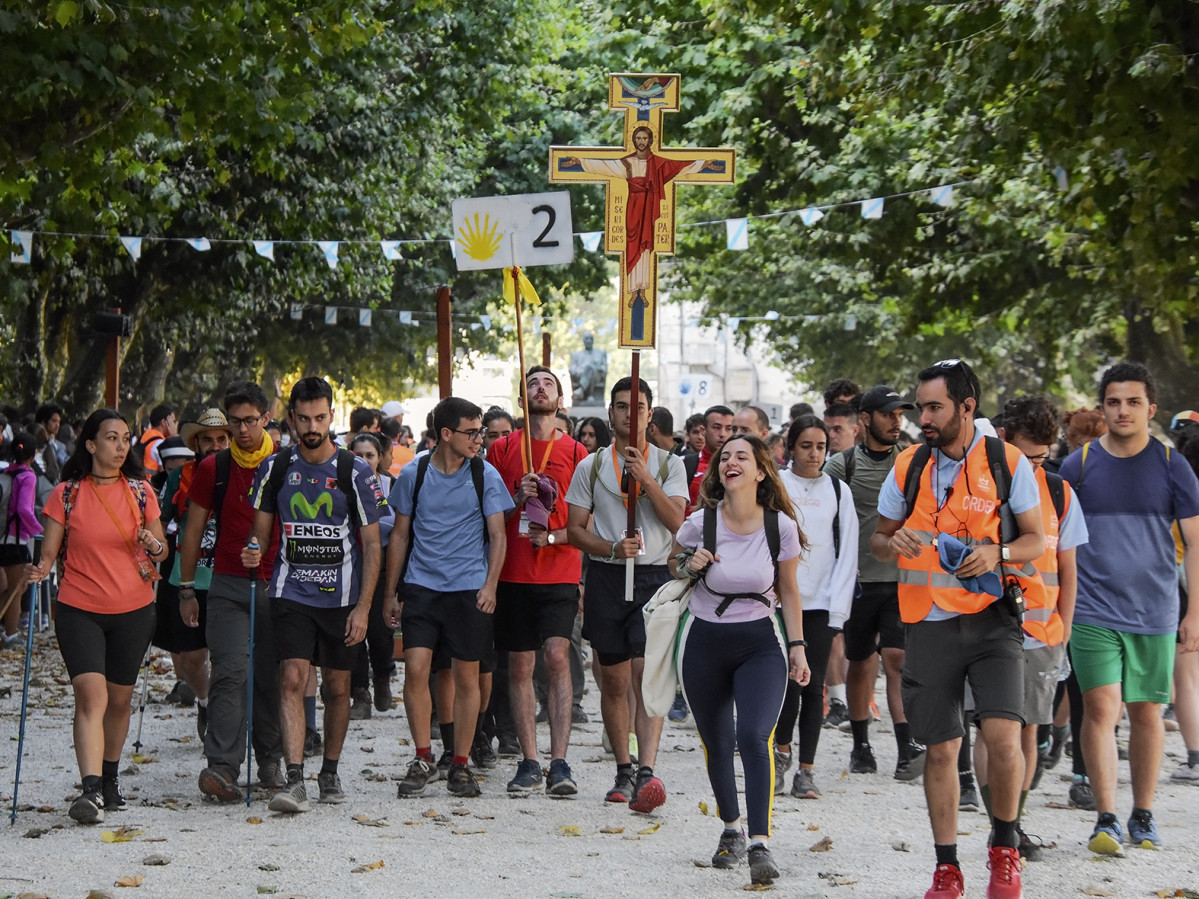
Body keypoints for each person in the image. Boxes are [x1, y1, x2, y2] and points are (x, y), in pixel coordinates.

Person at [871, 359, 1046, 899]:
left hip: (993, 621)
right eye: (919, 407)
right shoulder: (908, 465)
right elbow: (879, 539)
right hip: (926, 622)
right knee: (943, 749)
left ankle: (1004, 850)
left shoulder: (1006, 461)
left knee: (1001, 735)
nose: (921, 416)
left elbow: (1037, 540)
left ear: (966, 407)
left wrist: (998, 551)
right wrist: (891, 543)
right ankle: (946, 869)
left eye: (932, 407)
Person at [1059, 362, 1199, 855]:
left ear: (1151, 409)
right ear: (1103, 408)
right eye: (1114, 402)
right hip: (1092, 610)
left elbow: (1196, 543)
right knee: (1100, 707)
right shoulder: (1075, 467)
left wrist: (1195, 612)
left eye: (1133, 402)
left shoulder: (1171, 465)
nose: (1122, 410)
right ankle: (1106, 817)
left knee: (1147, 711)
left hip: (1155, 610)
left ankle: (1143, 813)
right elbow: (1060, 544)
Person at [670, 434, 810, 885]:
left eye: (741, 457)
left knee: (753, 735)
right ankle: (731, 829)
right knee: (716, 739)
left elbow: (789, 589)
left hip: (759, 644)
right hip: (704, 640)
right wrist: (689, 566)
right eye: (724, 457)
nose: (730, 462)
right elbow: (673, 562)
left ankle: (759, 843)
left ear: (761, 471)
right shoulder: (700, 522)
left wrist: (797, 646)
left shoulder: (780, 527)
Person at [242, 376, 385, 813]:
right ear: (290, 418)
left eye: (320, 417)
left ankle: (330, 771)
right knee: (292, 678)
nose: (312, 426)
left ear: (332, 416)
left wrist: (363, 607)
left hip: (342, 598)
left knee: (338, 689)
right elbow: (260, 535)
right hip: (291, 592)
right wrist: (252, 551)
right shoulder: (275, 467)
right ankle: (295, 777)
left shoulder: (354, 471)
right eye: (303, 418)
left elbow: (373, 544)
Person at [26, 409, 169, 824]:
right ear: (90, 444)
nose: (121, 446)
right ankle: (89, 790)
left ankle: (109, 778)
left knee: (119, 701)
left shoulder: (142, 492)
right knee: (92, 696)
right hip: (79, 608)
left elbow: (161, 549)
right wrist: (39, 569)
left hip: (134, 609)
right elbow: (50, 553)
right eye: (111, 438)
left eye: (126, 439)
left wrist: (152, 543)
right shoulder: (66, 494)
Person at [565, 377, 687, 812]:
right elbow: (576, 530)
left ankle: (648, 771)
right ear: (610, 411)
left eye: (637, 407)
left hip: (654, 578)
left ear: (650, 414)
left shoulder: (670, 464)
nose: (628, 414)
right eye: (620, 406)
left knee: (646, 676)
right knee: (614, 680)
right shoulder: (592, 466)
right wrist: (612, 548)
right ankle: (623, 768)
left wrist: (646, 480)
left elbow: (678, 522)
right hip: (607, 577)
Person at [386, 397, 512, 799]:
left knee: (466, 675)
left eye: (480, 432)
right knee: (417, 669)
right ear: (445, 434)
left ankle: (459, 763)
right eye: (471, 432)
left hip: (468, 588)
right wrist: (392, 591)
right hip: (422, 586)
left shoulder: (485, 475)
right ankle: (423, 757)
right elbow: (400, 535)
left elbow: (498, 536)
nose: (479, 439)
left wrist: (490, 585)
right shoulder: (414, 472)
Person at [980, 395, 1087, 861]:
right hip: (984, 629)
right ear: (1004, 442)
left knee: (1026, 735)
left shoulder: (1060, 492)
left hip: (1040, 633)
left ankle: (1013, 825)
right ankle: (997, 826)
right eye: (1029, 456)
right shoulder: (979, 486)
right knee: (991, 732)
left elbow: (1068, 568)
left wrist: (1064, 626)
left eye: (1044, 458)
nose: (1036, 467)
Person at [179, 383, 286, 803]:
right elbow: (193, 530)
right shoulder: (214, 468)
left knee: (268, 676)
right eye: (235, 421)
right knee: (230, 672)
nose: (242, 429)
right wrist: (187, 589)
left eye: (250, 421)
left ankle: (271, 759)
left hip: (276, 584)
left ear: (265, 419)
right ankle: (221, 766)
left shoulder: (284, 465)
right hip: (225, 583)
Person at [487, 367, 589, 795]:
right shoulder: (503, 448)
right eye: (532, 383)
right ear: (522, 399)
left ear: (560, 400)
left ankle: (560, 761)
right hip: (513, 571)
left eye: (548, 384)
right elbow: (489, 518)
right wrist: (517, 497)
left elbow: (587, 520)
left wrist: (560, 542)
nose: (540, 388)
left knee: (558, 657)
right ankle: (529, 761)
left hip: (560, 568)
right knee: (521, 664)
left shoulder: (578, 452)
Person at [823, 385, 925, 781]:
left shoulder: (914, 462)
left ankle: (905, 747)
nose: (895, 421)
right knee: (861, 662)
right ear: (864, 420)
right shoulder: (841, 466)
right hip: (860, 582)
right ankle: (861, 745)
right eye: (887, 414)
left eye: (899, 414)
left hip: (904, 580)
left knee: (897, 659)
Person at [559, 129, 723, 329]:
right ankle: (631, 290)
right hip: (634, 209)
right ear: (634, 140)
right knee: (632, 246)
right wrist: (580, 161)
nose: (641, 141)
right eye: (638, 138)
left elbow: (681, 167)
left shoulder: (659, 164)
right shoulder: (627, 162)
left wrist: (703, 164)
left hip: (649, 209)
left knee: (646, 248)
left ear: (651, 140)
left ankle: (642, 290)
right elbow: (604, 166)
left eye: (644, 138)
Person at [773, 416, 857, 800]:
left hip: (821, 604)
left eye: (821, 446)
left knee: (813, 684)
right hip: (779, 601)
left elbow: (847, 552)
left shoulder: (838, 491)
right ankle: (780, 752)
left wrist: (838, 610)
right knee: (786, 685)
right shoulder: (776, 485)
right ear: (791, 447)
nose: (814, 453)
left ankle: (806, 769)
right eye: (806, 446)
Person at [347, 432, 397, 719]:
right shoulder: (342, 483)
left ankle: (381, 674)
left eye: (370, 455)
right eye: (358, 455)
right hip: (351, 566)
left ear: (380, 458)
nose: (364, 461)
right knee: (353, 632)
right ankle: (360, 692)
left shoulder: (393, 486)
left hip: (383, 569)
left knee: (380, 634)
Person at [1, 431, 44, 646]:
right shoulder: (28, 476)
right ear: (33, 454)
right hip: (15, 539)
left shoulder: (6, 472)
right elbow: (24, 510)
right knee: (17, 590)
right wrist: (39, 531)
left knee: (8, 588)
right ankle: (9, 634)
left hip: (2, 535)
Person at [686, 405, 734, 510]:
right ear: (703, 430)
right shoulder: (683, 464)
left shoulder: (739, 467)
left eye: (728, 428)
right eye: (717, 427)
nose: (722, 434)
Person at [569, 332, 609, 405]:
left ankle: (581, 390)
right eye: (587, 339)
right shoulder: (577, 354)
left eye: (591, 339)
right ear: (583, 341)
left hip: (596, 375)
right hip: (580, 374)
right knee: (588, 368)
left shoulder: (600, 353)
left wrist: (599, 368)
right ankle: (589, 394)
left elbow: (604, 367)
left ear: (593, 341)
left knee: (590, 368)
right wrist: (576, 370)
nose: (589, 341)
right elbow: (572, 367)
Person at [137, 404, 177, 474]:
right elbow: (166, 475)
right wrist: (175, 436)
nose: (175, 425)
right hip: (152, 484)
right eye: (173, 421)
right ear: (164, 422)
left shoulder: (144, 438)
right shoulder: (161, 444)